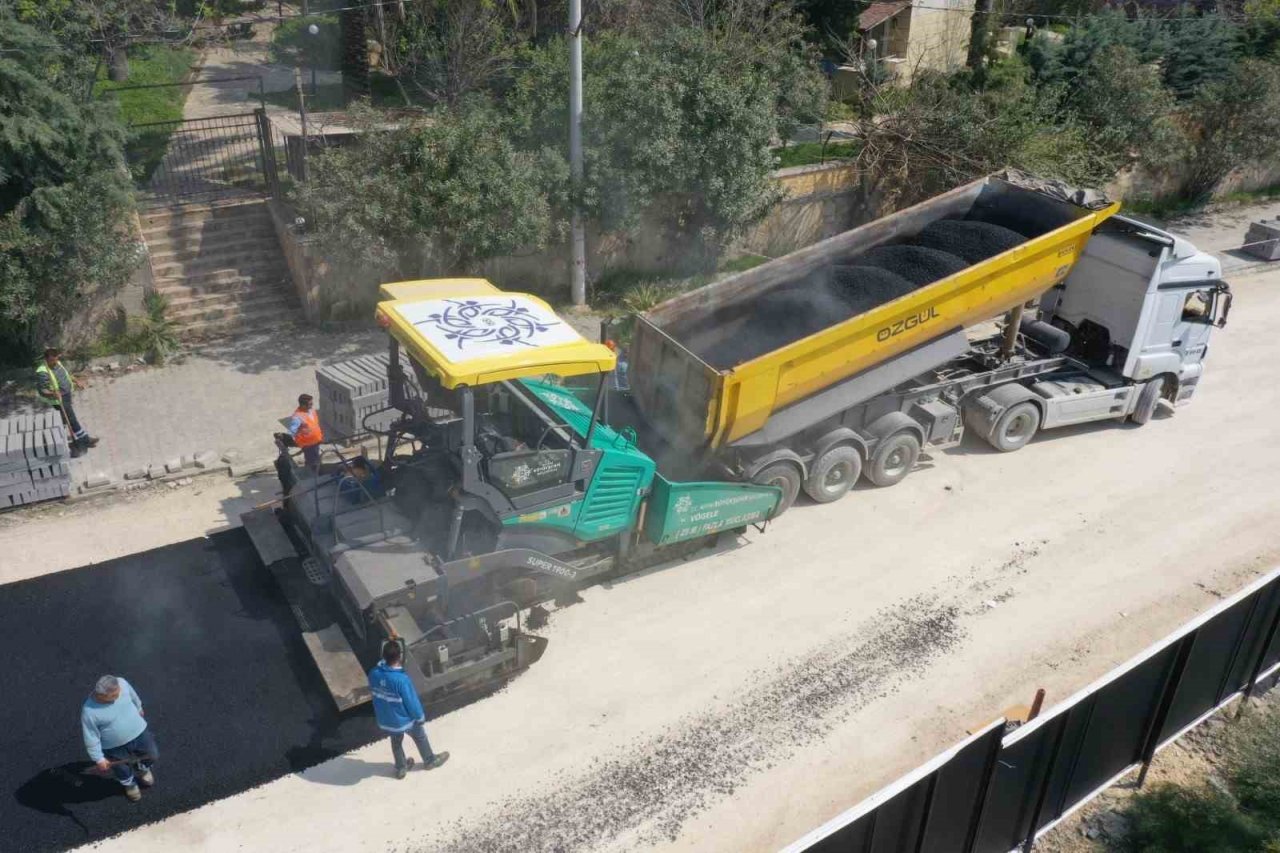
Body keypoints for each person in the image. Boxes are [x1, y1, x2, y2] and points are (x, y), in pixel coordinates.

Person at [368, 641, 449, 779]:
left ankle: (401, 768)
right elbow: (411, 703)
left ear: (383, 656)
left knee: (396, 742)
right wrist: (419, 717)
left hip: (387, 720)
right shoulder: (401, 679)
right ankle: (430, 760)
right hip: (404, 720)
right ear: (399, 657)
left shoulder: (373, 673)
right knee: (420, 736)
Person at [80, 675, 158, 803]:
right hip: (114, 747)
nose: (118, 696)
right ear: (102, 696)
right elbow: (91, 737)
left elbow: (133, 696)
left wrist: (138, 707)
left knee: (151, 754)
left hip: (140, 733)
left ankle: (143, 768)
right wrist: (98, 758)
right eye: (114, 695)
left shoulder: (121, 684)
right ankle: (130, 784)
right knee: (122, 768)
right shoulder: (89, 711)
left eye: (118, 692)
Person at [36, 347, 98, 458]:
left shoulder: (58, 363)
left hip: (67, 394)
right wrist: (53, 394)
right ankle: (85, 440)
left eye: (55, 360)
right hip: (58, 399)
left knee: (65, 420)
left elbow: (66, 375)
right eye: (52, 361)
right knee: (71, 418)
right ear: (46, 359)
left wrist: (76, 381)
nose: (54, 363)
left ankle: (61, 440)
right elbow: (42, 391)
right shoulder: (42, 372)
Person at [285, 393, 324, 470]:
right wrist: (287, 441)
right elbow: (292, 430)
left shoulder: (311, 411)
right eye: (310, 404)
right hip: (308, 444)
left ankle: (315, 472)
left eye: (312, 403)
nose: (312, 405)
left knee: (315, 459)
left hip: (316, 441)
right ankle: (312, 476)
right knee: (312, 462)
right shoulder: (297, 416)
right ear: (303, 405)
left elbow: (314, 424)